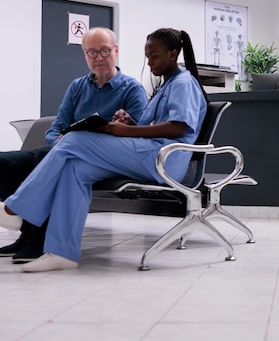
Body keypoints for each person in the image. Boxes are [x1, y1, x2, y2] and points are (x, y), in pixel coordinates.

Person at [0, 28, 208, 272]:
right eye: (147, 57)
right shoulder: (166, 85)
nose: (150, 62)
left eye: (155, 57)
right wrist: (131, 124)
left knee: (73, 139)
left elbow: (179, 127)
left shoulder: (183, 82)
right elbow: (153, 127)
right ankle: (62, 252)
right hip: (148, 153)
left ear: (173, 54)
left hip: (164, 160)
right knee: (75, 169)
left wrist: (122, 131)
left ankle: (16, 208)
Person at [0, 27, 148, 263]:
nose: (98, 57)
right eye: (92, 52)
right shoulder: (78, 86)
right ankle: (26, 232)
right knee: (6, 162)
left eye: (105, 51)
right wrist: (58, 140)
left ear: (116, 51)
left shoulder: (132, 89)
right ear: (85, 55)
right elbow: (56, 127)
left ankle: (39, 238)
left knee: (48, 155)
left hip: (97, 158)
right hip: (63, 148)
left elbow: (139, 135)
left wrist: (122, 126)